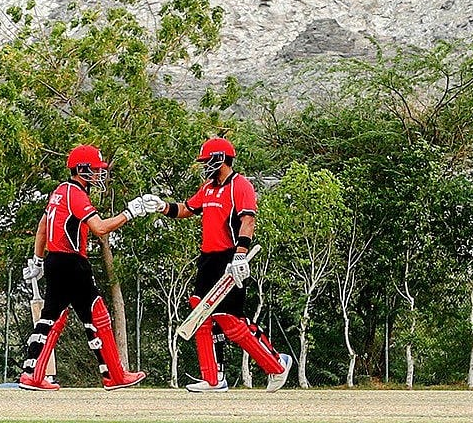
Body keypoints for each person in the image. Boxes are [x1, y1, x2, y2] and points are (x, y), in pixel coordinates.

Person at [142, 136, 292, 392]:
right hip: (208, 259)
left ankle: (277, 364)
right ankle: (213, 378)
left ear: (220, 159)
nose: (205, 166)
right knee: (199, 312)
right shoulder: (208, 188)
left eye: (207, 161)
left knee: (230, 321)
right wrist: (162, 206)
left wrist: (241, 254)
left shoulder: (240, 185)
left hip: (230, 258)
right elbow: (187, 209)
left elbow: (247, 221)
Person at [17, 144, 150, 391]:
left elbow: (43, 226)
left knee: (53, 317)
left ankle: (32, 374)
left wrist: (38, 260)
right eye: (95, 170)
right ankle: (115, 375)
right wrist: (131, 212)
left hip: (55, 261)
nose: (99, 175)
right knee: (97, 315)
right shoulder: (76, 194)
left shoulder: (59, 191)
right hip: (72, 263)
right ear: (81, 169)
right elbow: (100, 228)